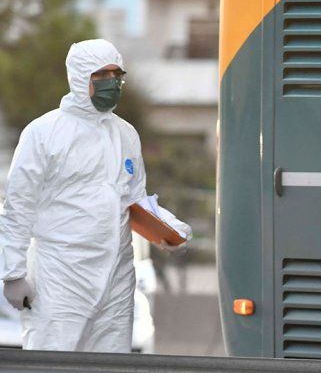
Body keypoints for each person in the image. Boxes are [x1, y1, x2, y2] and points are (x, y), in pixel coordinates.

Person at [0, 39, 185, 352]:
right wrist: (13, 273)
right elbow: (18, 206)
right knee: (54, 367)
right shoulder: (43, 133)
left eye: (117, 75)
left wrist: (168, 230)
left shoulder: (126, 134)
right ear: (78, 77)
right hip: (60, 277)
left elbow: (134, 200)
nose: (111, 83)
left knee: (109, 369)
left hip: (117, 278)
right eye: (101, 75)